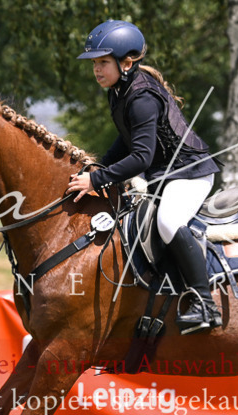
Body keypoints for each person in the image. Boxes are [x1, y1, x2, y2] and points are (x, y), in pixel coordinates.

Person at [66, 19, 222, 334]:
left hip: (189, 173)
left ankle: (205, 303)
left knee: (167, 222)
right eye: (94, 63)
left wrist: (96, 180)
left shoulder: (141, 98)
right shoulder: (119, 90)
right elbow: (127, 138)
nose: (96, 70)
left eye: (103, 62)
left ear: (126, 63)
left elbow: (141, 158)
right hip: (164, 175)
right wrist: (98, 166)